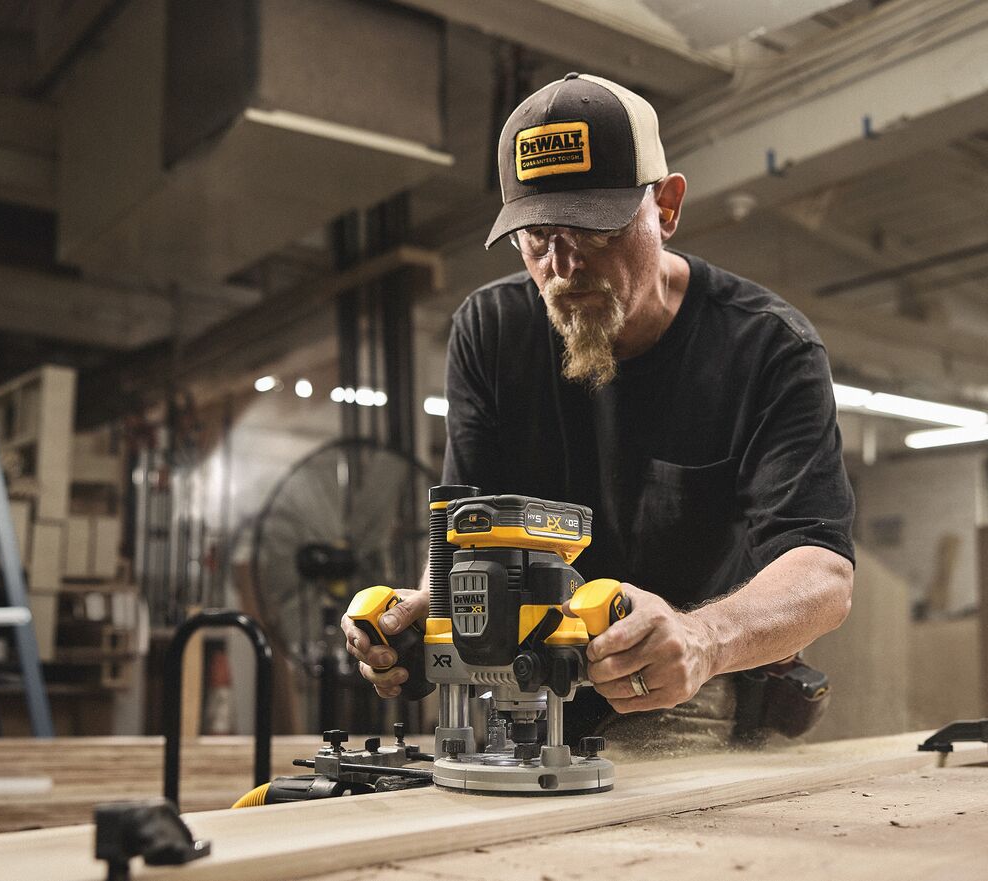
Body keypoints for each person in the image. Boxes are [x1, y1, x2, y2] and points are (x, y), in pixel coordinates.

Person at [343, 72, 855, 749]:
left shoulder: (765, 347)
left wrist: (703, 638)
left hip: (680, 679)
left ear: (666, 207)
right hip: (520, 679)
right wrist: (427, 615)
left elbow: (822, 571)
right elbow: (466, 537)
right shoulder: (490, 331)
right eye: (538, 237)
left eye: (593, 229)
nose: (563, 265)